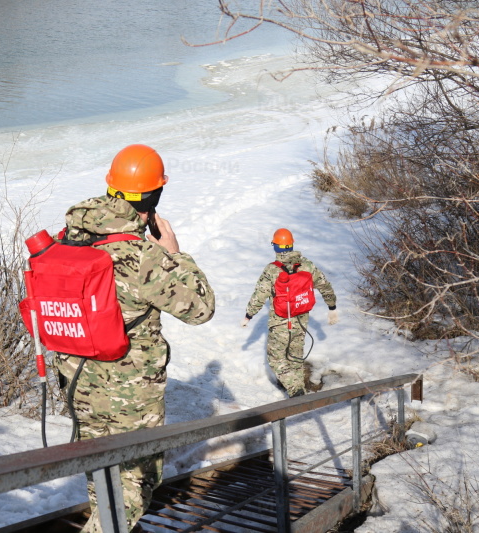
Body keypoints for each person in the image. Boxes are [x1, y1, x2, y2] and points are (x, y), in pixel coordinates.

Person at [54, 144, 215, 532]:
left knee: (102, 476)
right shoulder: (143, 256)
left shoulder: (68, 239)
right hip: (130, 395)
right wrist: (175, 254)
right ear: (154, 196)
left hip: (77, 385)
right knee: (132, 488)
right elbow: (201, 307)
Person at [241, 228, 337, 397]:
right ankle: (298, 392)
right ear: (291, 244)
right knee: (295, 358)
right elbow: (324, 285)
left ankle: (296, 390)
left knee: (276, 359)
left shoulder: (272, 270)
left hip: (280, 322)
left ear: (276, 247)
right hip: (301, 319)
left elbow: (259, 295)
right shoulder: (307, 265)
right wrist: (332, 307)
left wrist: (249, 315)